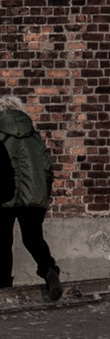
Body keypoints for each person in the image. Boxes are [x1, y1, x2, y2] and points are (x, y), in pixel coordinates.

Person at [0, 96, 62, 301]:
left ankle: (3, 289)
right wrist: (44, 194)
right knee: (34, 238)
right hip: (33, 195)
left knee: (2, 242)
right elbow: (47, 169)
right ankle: (48, 269)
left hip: (3, 197)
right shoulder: (34, 137)